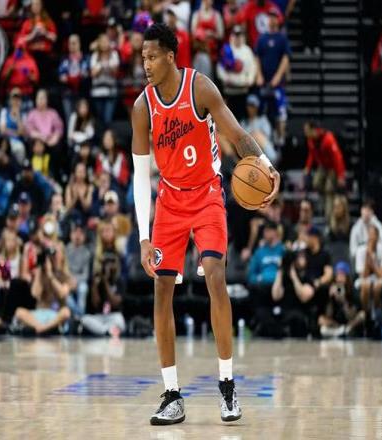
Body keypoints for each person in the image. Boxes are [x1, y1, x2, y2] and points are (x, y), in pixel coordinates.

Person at [131, 23, 280, 425]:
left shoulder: (200, 88)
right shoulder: (143, 107)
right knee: (161, 290)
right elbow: (140, 176)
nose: (146, 65)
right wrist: (143, 238)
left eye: (152, 57)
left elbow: (237, 135)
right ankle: (172, 395)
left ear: (170, 57)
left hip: (207, 194)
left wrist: (266, 166)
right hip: (169, 201)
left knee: (215, 274)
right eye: (142, 58)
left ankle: (227, 385)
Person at [14, 241, 71, 335]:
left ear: (62, 256)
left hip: (55, 314)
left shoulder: (65, 276)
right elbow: (35, 294)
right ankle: (44, 328)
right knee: (19, 312)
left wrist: (50, 276)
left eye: (56, 253)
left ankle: (41, 328)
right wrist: (40, 270)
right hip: (39, 314)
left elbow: (63, 294)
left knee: (66, 312)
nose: (53, 257)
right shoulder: (41, 273)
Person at [255, 8, 290, 147]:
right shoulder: (262, 38)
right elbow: (257, 57)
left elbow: (286, 58)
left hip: (277, 84)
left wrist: (278, 76)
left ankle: (281, 139)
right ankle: (266, 140)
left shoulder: (281, 38)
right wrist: (259, 75)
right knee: (262, 112)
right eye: (270, 17)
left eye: (274, 17)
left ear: (278, 19)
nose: (272, 19)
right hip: (264, 83)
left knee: (281, 112)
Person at [303, 121, 346, 219]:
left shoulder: (328, 139)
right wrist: (307, 168)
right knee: (316, 183)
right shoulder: (310, 140)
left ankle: (328, 217)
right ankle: (325, 198)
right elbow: (311, 154)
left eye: (307, 130)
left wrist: (341, 176)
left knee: (329, 190)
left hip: (333, 167)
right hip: (322, 166)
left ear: (313, 130)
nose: (305, 133)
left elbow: (338, 158)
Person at [217, 26, 257, 123]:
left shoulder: (247, 51)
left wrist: (250, 80)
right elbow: (220, 68)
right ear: (232, 36)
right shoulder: (227, 50)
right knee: (229, 117)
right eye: (235, 35)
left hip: (243, 90)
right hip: (229, 90)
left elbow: (253, 67)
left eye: (239, 35)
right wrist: (225, 78)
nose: (237, 38)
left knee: (241, 118)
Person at [318, 261, 365, 338]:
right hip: (335, 323)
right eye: (338, 275)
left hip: (349, 323)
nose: (340, 278)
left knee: (362, 315)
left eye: (342, 275)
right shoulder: (330, 289)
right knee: (321, 320)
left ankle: (345, 330)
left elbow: (351, 316)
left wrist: (344, 302)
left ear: (347, 277)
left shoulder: (353, 291)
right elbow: (328, 315)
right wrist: (330, 299)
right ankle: (339, 331)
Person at [18, 0, 57, 86]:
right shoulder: (27, 23)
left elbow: (54, 38)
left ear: (41, 6)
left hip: (45, 55)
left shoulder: (48, 21)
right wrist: (33, 34)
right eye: (34, 5)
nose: (36, 7)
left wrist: (45, 33)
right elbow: (21, 40)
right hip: (31, 55)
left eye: (38, 4)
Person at [354, 224, 382, 318]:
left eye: (373, 235)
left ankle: (377, 314)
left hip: (379, 278)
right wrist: (367, 256)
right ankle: (367, 315)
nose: (371, 237)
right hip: (365, 278)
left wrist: (373, 262)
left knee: (378, 286)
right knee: (365, 285)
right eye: (369, 234)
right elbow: (363, 275)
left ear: (377, 237)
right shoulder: (360, 250)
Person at [90, 33, 120, 129]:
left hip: (111, 92)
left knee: (108, 119)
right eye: (102, 41)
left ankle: (108, 137)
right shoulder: (95, 55)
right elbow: (93, 73)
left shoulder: (114, 54)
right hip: (97, 92)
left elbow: (115, 71)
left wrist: (101, 66)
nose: (104, 44)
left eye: (106, 41)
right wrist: (105, 65)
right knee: (100, 120)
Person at [0, 38, 40, 109]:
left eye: (21, 48)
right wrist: (10, 70)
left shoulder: (30, 61)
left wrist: (28, 74)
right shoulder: (10, 60)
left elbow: (36, 80)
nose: (19, 50)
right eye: (18, 48)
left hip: (26, 94)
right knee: (11, 114)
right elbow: (3, 80)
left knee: (26, 115)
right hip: (12, 94)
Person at [59, 34, 89, 123]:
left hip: (82, 93)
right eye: (70, 43)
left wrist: (70, 78)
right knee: (70, 120)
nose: (72, 46)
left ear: (79, 44)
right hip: (67, 94)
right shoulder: (64, 59)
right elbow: (61, 76)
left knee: (82, 119)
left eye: (74, 43)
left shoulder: (85, 58)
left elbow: (87, 74)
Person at [240, 94, 277, 165]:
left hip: (265, 151)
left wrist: (253, 136)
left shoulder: (263, 119)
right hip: (249, 152)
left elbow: (267, 135)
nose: (250, 108)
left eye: (252, 105)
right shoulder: (244, 122)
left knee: (257, 135)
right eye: (248, 105)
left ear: (257, 107)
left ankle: (270, 163)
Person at [65, 220, 91, 318]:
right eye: (75, 232)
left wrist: (75, 280)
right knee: (64, 293)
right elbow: (63, 269)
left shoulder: (87, 253)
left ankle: (79, 317)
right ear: (71, 234)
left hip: (79, 281)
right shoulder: (65, 249)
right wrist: (69, 280)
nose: (77, 235)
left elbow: (85, 274)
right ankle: (79, 315)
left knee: (83, 289)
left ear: (84, 236)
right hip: (66, 280)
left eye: (81, 233)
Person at [0, 87, 27, 164]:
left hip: (17, 142)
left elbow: (22, 132)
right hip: (4, 140)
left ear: (20, 101)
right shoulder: (4, 111)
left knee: (20, 149)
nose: (15, 101)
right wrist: (16, 133)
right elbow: (2, 130)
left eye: (17, 99)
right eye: (14, 99)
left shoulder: (23, 115)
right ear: (10, 100)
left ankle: (18, 169)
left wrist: (18, 116)